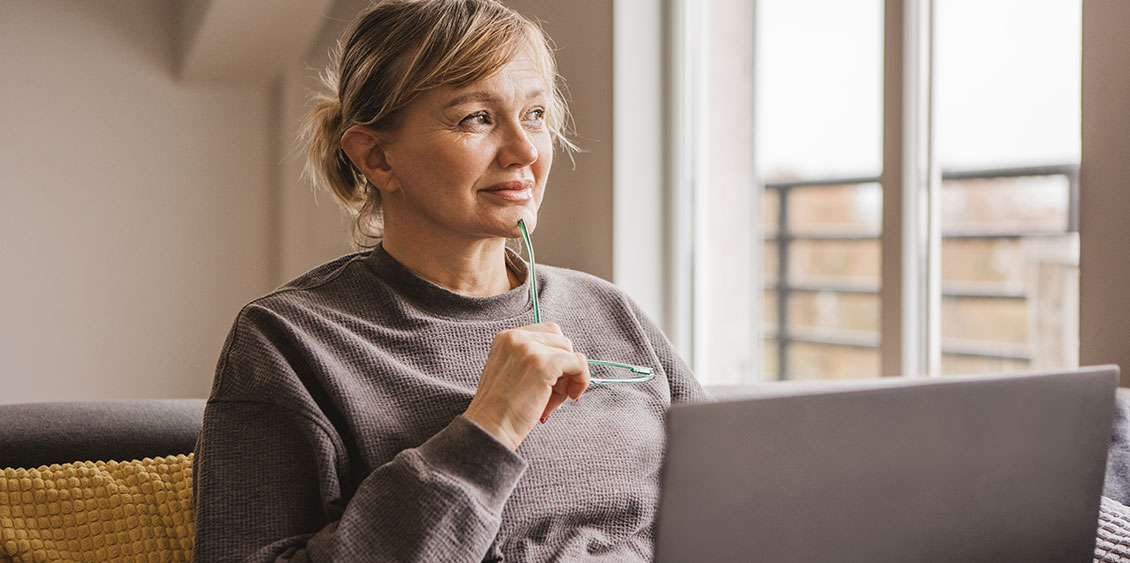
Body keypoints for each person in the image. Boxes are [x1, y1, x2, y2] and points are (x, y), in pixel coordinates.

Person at [191, 0, 708, 561]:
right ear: (377, 158)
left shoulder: (609, 311)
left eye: (535, 114)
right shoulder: (286, 341)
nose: (524, 151)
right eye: (476, 118)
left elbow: (731, 497)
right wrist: (489, 427)